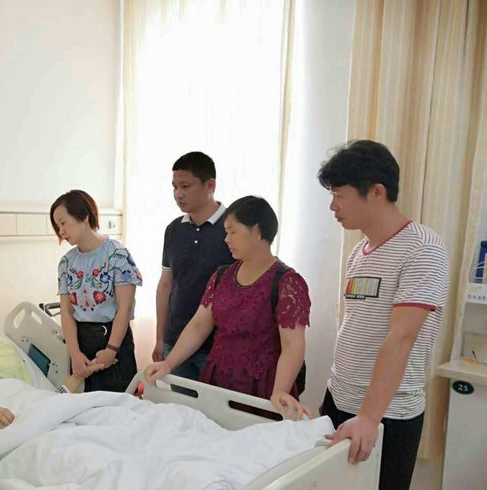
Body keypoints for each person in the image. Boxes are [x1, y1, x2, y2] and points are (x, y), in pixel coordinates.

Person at [317, 140, 449, 490]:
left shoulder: (423, 248)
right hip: (340, 400)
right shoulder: (360, 251)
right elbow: (358, 325)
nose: (333, 206)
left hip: (385, 415)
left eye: (340, 195)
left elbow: (401, 337)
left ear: (376, 191)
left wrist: (370, 417)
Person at [145, 196, 311, 419]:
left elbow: (293, 345)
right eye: (225, 232)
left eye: (232, 232)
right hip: (218, 380)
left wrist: (280, 390)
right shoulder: (222, 276)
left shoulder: (287, 282)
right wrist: (169, 362)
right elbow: (198, 326)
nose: (226, 239)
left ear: (257, 231)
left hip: (262, 387)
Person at [153, 152, 233, 385]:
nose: (178, 194)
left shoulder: (233, 227)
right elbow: (165, 285)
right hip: (176, 342)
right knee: (181, 406)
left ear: (210, 185)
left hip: (218, 345)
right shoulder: (174, 229)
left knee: (216, 406)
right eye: (175, 187)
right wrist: (160, 338)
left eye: (185, 186)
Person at [51, 189, 142, 392]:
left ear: (84, 217)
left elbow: (124, 308)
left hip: (114, 339)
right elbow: (66, 311)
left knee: (120, 402)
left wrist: (111, 349)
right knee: (86, 405)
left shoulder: (117, 255)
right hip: (82, 343)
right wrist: (75, 354)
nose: (61, 231)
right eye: (57, 226)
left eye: (63, 223)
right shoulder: (66, 263)